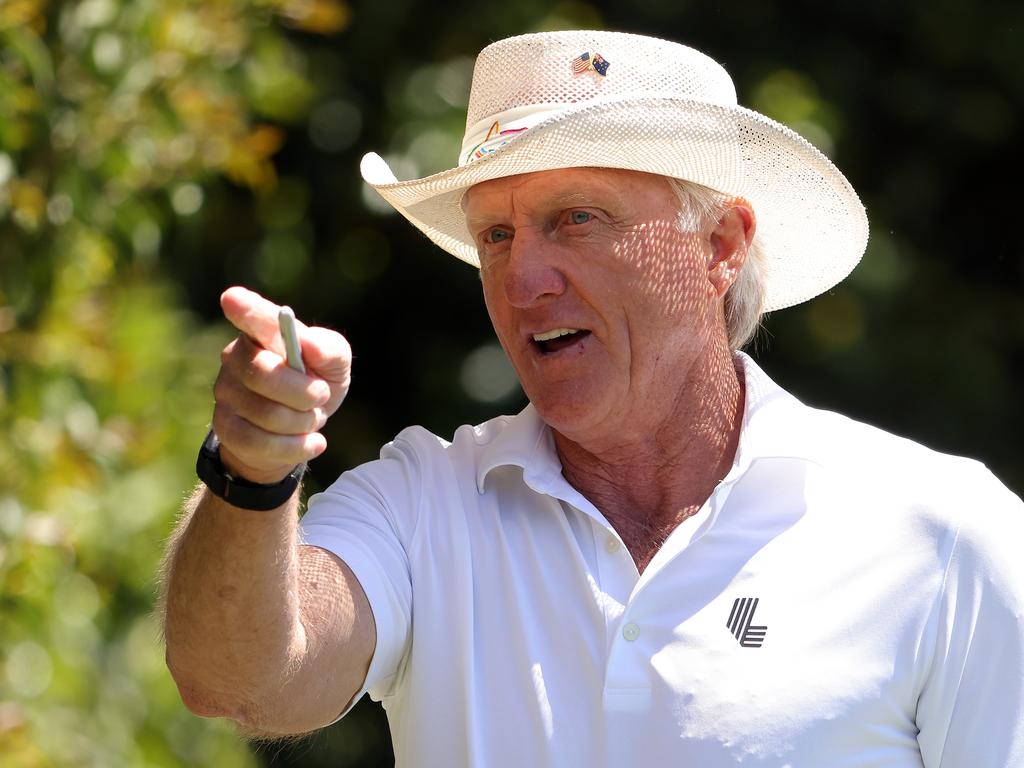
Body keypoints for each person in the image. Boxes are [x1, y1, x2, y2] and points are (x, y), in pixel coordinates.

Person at [161, 30, 1024, 766]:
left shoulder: (942, 533)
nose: (522, 279)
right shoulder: (424, 499)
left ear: (720, 244)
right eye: (494, 235)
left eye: (577, 218)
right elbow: (238, 682)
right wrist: (254, 468)